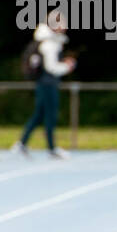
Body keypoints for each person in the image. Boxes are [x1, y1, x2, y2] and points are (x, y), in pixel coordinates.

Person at [12, 10, 77, 159]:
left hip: (44, 83)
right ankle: (51, 148)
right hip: (48, 83)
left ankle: (22, 143)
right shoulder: (49, 43)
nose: (65, 25)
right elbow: (51, 67)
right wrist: (67, 67)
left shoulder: (51, 40)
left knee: (39, 114)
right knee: (50, 115)